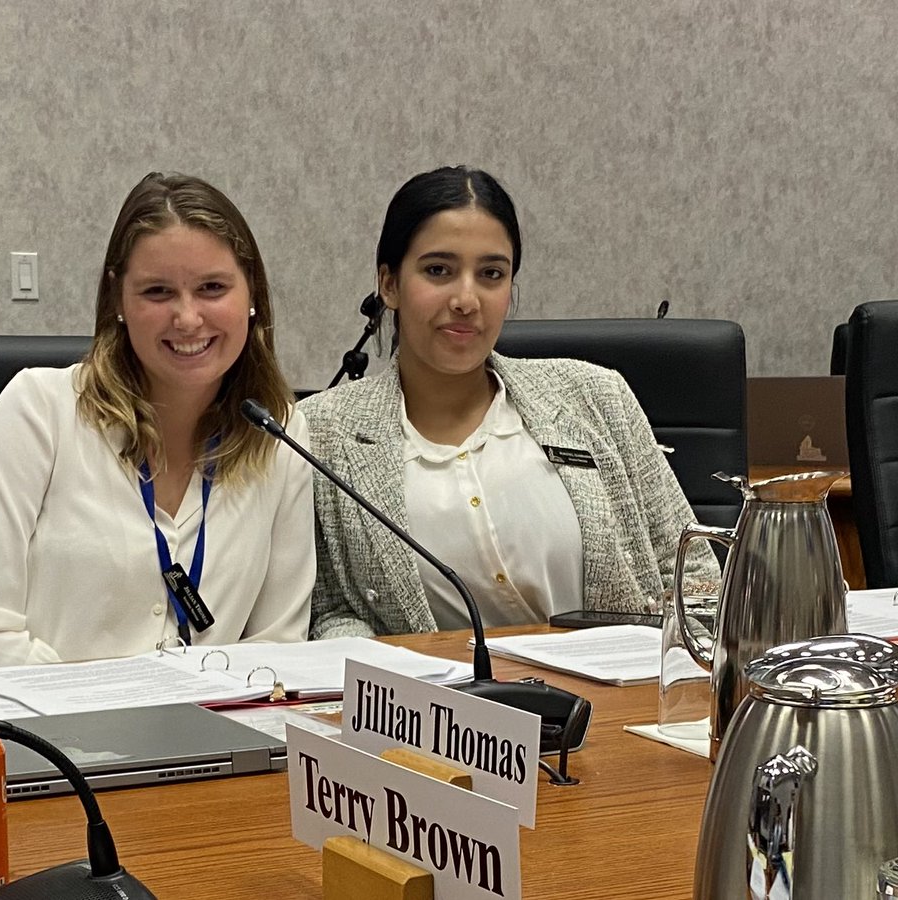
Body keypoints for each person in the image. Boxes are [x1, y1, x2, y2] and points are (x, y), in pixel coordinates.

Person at [300, 165, 719, 639]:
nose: (466, 299)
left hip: (623, 683)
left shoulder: (596, 396)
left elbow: (695, 576)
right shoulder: (321, 434)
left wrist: (673, 668)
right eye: (438, 270)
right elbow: (327, 612)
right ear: (389, 284)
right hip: (438, 687)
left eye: (491, 274)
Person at [0, 173, 314, 673]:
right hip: (47, 723)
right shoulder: (37, 412)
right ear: (118, 300)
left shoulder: (279, 435)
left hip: (213, 724)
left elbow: (281, 650)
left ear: (252, 294)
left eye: (212, 288)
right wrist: (109, 709)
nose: (188, 318)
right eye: (158, 291)